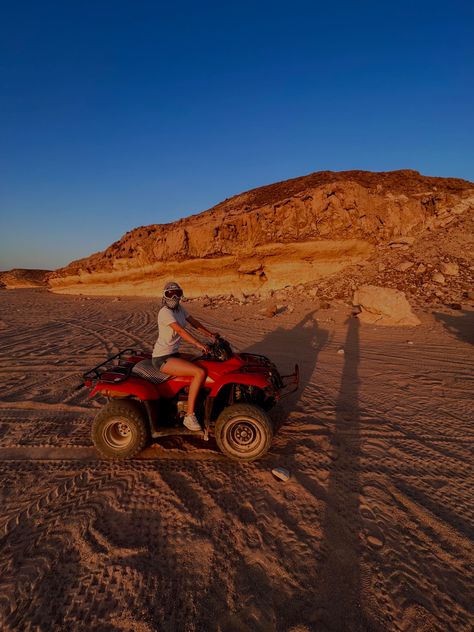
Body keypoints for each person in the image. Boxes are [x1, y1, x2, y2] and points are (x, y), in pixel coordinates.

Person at [152, 281, 218, 431]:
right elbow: (181, 331)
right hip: (162, 358)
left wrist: (210, 334)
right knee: (199, 372)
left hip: (174, 353)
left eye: (178, 293)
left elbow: (194, 322)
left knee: (204, 361)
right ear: (164, 296)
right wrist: (198, 344)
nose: (174, 297)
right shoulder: (165, 312)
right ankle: (189, 416)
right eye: (170, 294)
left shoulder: (180, 309)